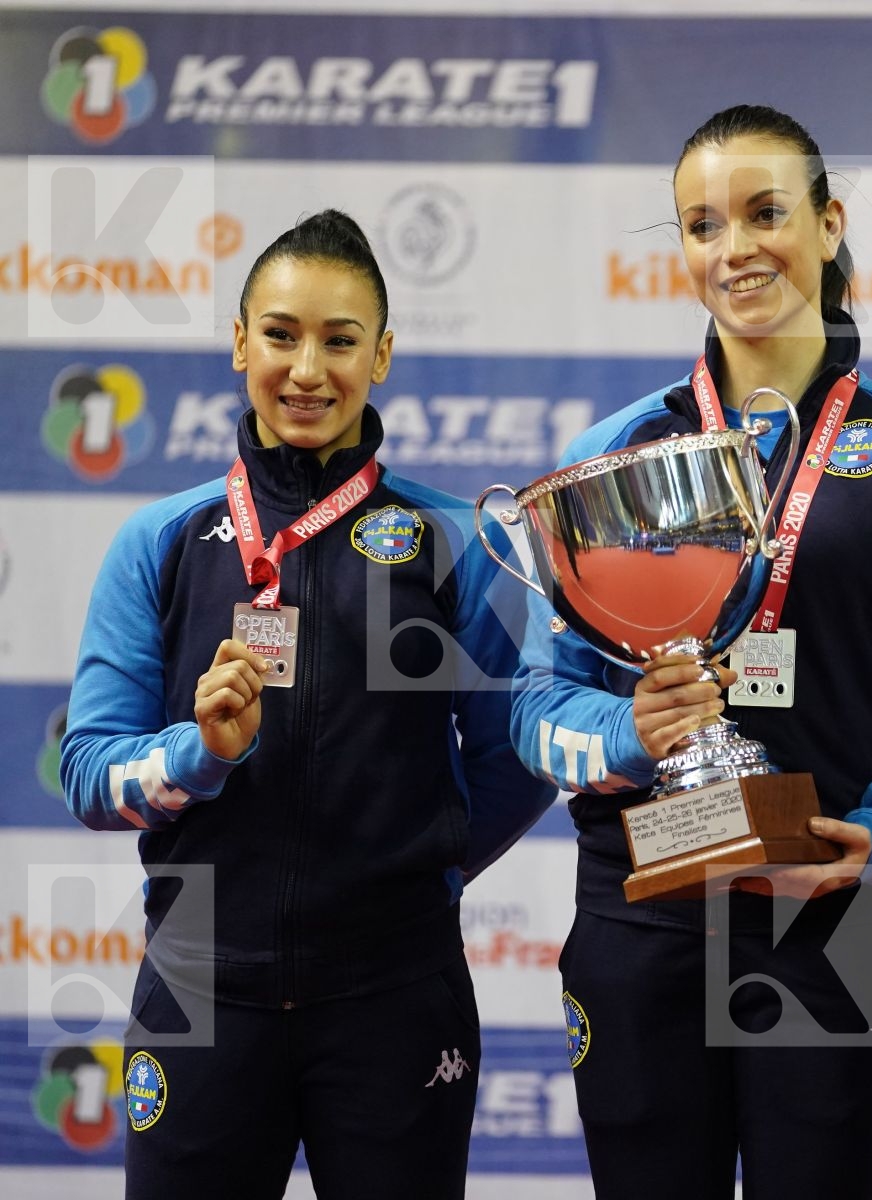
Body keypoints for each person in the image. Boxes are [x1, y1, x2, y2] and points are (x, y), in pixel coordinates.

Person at [509, 104, 872, 1199]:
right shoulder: (615, 454)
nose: (732, 248)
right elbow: (537, 698)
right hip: (646, 911)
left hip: (833, 913)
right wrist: (626, 732)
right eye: (699, 223)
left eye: (764, 212)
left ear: (829, 225)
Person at [60, 209, 554, 1199]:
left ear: (382, 355)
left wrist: (419, 858)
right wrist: (197, 752)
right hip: (199, 985)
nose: (306, 368)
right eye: (281, 335)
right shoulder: (158, 542)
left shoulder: (457, 543)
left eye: (338, 341)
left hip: (395, 992)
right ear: (239, 342)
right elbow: (88, 772)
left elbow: (518, 756)